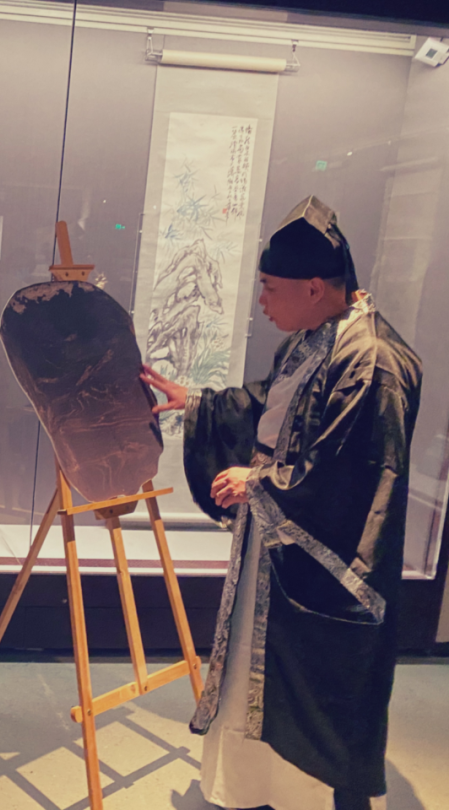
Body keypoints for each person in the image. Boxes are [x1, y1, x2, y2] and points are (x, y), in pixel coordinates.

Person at [141, 197, 421, 810]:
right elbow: (269, 405)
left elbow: (356, 471)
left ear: (314, 287)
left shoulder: (372, 361)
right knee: (258, 669)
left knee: (310, 688)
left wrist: (261, 483)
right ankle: (257, 790)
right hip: (276, 549)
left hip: (324, 566)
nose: (262, 301)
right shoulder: (315, 338)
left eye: (270, 288)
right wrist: (200, 403)